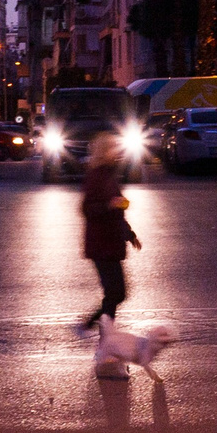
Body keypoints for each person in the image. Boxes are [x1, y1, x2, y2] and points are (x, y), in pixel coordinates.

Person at [77, 132, 141, 332]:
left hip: (111, 241)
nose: (118, 150)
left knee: (116, 293)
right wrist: (109, 205)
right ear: (104, 151)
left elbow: (117, 209)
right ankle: (103, 334)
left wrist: (130, 234)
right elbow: (87, 208)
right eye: (114, 146)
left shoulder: (109, 173)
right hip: (101, 243)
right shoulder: (95, 175)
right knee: (115, 292)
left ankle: (97, 327)